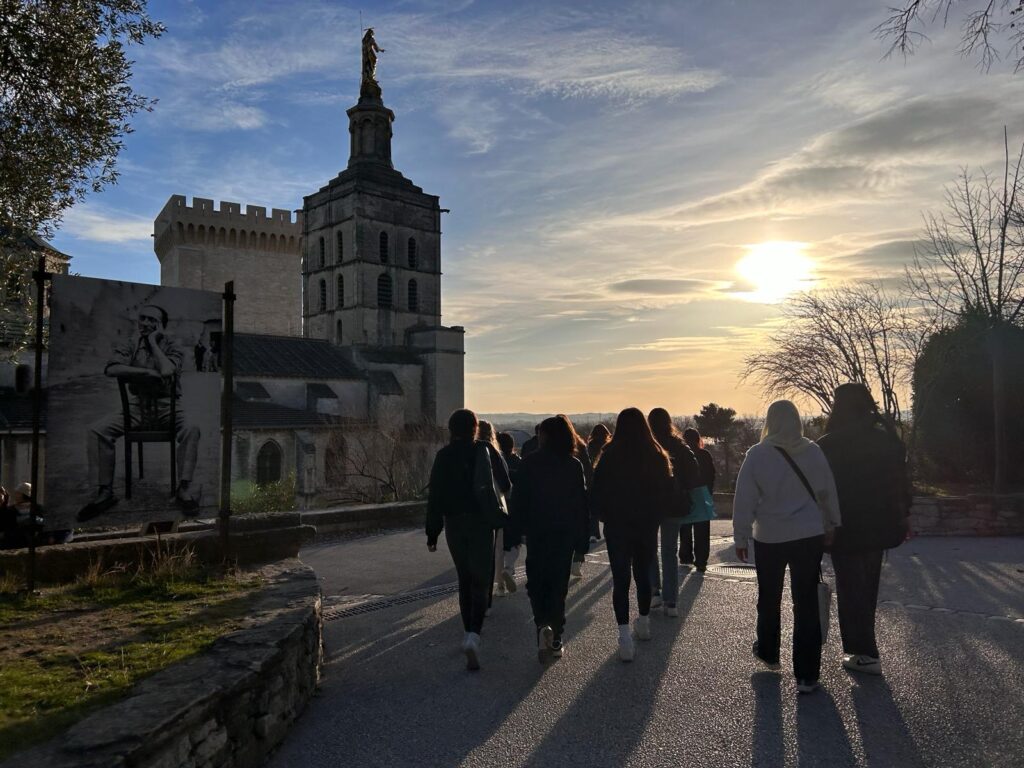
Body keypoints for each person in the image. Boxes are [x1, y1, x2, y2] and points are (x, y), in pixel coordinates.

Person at [733, 400, 841, 694]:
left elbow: (744, 500)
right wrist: (832, 523)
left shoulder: (757, 454)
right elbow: (826, 491)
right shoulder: (813, 451)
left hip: (770, 535)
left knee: (769, 596)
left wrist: (740, 537)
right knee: (805, 601)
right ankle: (807, 675)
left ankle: (768, 651)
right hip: (808, 534)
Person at [817, 383, 910, 677]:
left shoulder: (828, 445)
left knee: (849, 588)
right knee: (868, 587)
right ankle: (865, 648)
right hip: (881, 525)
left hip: (845, 527)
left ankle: (864, 651)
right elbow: (902, 484)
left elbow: (822, 492)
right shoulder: (887, 440)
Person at [77, 304, 201, 521]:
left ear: (161, 325)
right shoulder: (130, 344)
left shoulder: (173, 346)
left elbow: (167, 370)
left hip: (168, 407)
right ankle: (105, 493)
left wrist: (153, 342)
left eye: (151, 320)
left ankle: (184, 489)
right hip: (137, 407)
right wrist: (144, 372)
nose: (145, 323)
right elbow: (111, 368)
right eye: (142, 318)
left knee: (192, 429)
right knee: (97, 430)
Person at [592, 407, 673, 662]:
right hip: (646, 524)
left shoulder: (609, 455)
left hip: (618, 524)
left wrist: (604, 515)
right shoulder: (656, 454)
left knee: (621, 579)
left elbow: (596, 491)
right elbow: (666, 492)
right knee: (642, 574)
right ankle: (645, 621)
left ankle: (624, 634)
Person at [509, 416, 589, 662]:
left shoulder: (530, 463)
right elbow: (581, 505)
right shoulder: (574, 465)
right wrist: (582, 540)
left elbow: (519, 501)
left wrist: (514, 533)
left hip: (537, 531)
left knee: (536, 584)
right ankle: (556, 637)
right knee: (558, 586)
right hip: (564, 533)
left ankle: (542, 624)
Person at [426, 409, 501, 670]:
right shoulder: (485, 450)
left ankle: (467, 628)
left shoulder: (443, 456)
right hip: (481, 523)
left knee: (464, 578)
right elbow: (505, 483)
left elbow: (434, 497)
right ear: (475, 428)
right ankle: (474, 635)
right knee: (481, 579)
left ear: (451, 429)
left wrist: (432, 532)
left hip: (454, 523)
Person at [647, 409, 701, 617]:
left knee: (650, 548)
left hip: (650, 505)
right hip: (675, 503)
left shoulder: (647, 446)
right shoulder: (679, 445)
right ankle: (672, 601)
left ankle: (654, 591)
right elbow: (694, 473)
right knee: (669, 551)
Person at [477, 421, 513, 599]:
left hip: (474, 507)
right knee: (497, 549)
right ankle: (498, 585)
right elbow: (506, 484)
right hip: (495, 505)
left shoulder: (470, 453)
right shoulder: (495, 453)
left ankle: (480, 590)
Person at [680, 427, 716, 571]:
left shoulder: (682, 454)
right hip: (702, 494)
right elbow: (711, 475)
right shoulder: (705, 455)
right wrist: (708, 492)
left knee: (685, 528)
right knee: (702, 530)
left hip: (686, 494)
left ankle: (685, 555)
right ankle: (701, 560)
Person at [496, 431, 524, 592]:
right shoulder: (518, 461)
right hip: (514, 506)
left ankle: (499, 585)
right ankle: (509, 569)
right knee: (514, 542)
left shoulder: (494, 461)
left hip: (498, 506)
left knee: (498, 545)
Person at [567, 417, 593, 580]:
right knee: (579, 528)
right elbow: (589, 472)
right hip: (578, 495)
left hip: (556, 499)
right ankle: (577, 560)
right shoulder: (581, 446)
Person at [586, 423, 611, 542]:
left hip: (593, 478)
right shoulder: (608, 446)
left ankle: (594, 532)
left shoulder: (591, 445)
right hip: (606, 479)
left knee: (594, 508)